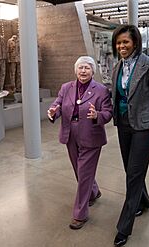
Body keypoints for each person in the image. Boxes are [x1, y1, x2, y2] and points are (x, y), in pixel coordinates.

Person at [111, 25, 149, 246]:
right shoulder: (118, 67)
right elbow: (114, 97)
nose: (121, 46)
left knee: (134, 174)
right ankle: (144, 201)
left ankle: (124, 227)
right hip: (123, 125)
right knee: (131, 170)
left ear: (135, 42)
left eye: (125, 42)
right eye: (118, 43)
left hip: (145, 127)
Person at [47, 56, 113, 230]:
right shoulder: (66, 87)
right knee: (79, 170)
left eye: (87, 68)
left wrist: (97, 115)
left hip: (91, 135)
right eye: (80, 68)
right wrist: (54, 111)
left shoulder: (101, 90)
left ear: (93, 71)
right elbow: (58, 104)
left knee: (84, 174)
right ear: (75, 70)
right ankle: (94, 192)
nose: (83, 71)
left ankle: (80, 214)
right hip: (70, 134)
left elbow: (108, 113)